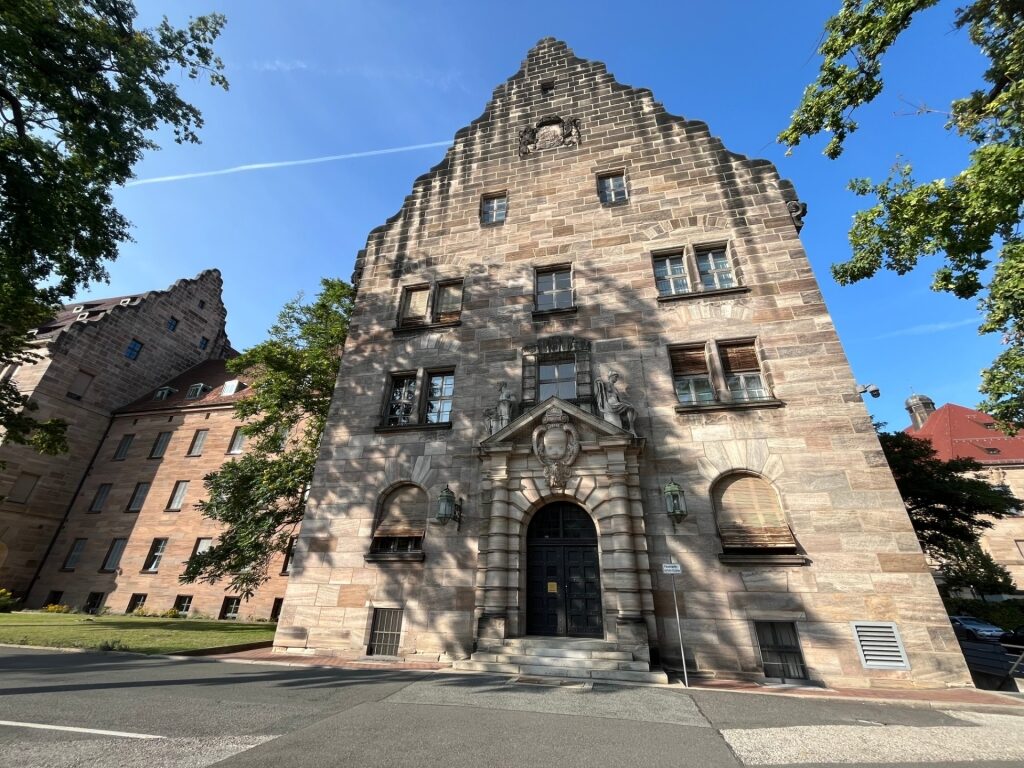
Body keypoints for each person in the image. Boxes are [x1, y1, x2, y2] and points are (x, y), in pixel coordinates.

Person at [596, 371, 637, 436]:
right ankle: (630, 428)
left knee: (630, 408)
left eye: (617, 377)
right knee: (629, 408)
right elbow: (600, 388)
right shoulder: (607, 384)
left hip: (617, 403)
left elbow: (621, 399)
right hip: (610, 404)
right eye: (615, 377)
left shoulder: (615, 388)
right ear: (611, 377)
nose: (616, 379)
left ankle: (631, 428)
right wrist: (599, 381)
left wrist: (628, 403)